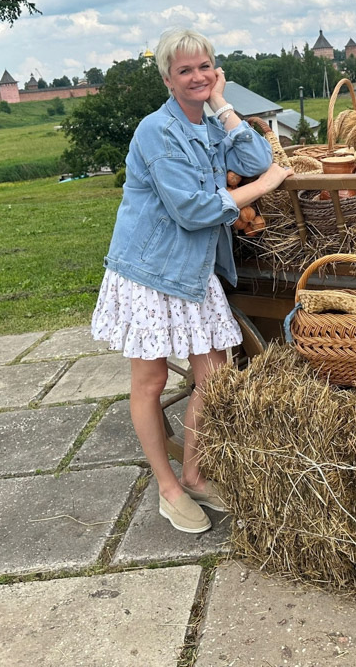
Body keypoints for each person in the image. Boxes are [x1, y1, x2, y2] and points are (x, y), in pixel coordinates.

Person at [92, 28, 293, 533]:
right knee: (152, 380)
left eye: (205, 67)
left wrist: (223, 104)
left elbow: (255, 160)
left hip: (195, 268)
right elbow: (193, 209)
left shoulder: (208, 121)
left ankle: (196, 473)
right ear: (167, 79)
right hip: (152, 269)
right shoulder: (155, 132)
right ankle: (167, 487)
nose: (197, 76)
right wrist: (265, 190)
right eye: (185, 70)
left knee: (215, 375)